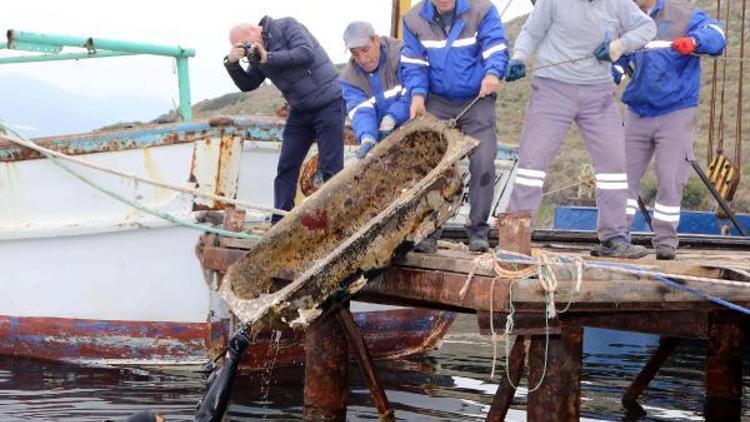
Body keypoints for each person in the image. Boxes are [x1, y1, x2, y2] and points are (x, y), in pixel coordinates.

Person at [503, 0, 656, 259]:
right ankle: (514, 239)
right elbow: (531, 31)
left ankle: (614, 238)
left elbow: (647, 27)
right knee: (532, 164)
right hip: (552, 89)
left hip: (598, 93)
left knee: (614, 166)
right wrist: (519, 57)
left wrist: (619, 46)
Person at [613, 0, 726, 260]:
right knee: (621, 178)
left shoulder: (683, 15)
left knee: (670, 178)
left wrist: (696, 41)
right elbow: (619, 59)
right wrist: (611, 75)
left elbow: (718, 35)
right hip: (637, 112)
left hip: (676, 112)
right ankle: (617, 237)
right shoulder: (626, 18)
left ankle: (665, 241)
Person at [401, 0, 510, 252]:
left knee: (483, 160)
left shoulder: (483, 9)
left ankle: (478, 230)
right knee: (430, 165)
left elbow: (495, 46)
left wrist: (493, 74)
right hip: (436, 100)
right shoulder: (413, 19)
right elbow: (414, 63)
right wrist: (417, 94)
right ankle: (429, 231)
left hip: (477, 98)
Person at [224, 18, 344, 223]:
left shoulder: (286, 26)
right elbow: (249, 84)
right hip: (299, 109)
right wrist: (232, 64)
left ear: (255, 30)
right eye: (242, 48)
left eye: (246, 43)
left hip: (328, 101)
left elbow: (306, 52)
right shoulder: (257, 54)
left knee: (331, 169)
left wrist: (267, 57)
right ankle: (280, 222)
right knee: (286, 167)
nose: (248, 48)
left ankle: (337, 221)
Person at [340, 22, 411, 159]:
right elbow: (361, 110)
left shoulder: (401, 55)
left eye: (365, 50)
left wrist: (392, 117)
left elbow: (412, 92)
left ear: (376, 41)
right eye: (355, 54)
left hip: (414, 126)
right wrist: (368, 136)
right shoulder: (349, 78)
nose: (362, 59)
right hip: (384, 139)